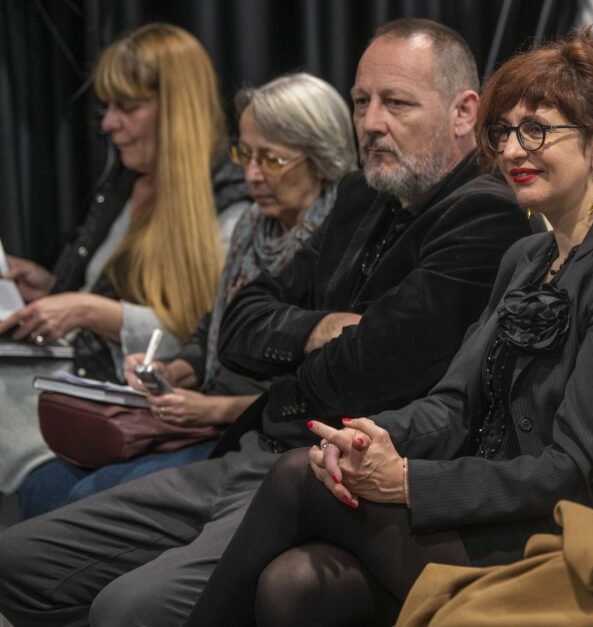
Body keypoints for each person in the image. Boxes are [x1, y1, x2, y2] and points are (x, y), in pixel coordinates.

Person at [0, 18, 532, 626]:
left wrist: (293, 362)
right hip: (251, 450)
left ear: (465, 112)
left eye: (396, 103)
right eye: (361, 102)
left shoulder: (487, 217)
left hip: (328, 480)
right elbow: (238, 325)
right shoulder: (362, 195)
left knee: (128, 610)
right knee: (14, 558)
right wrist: (318, 328)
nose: (371, 122)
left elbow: (377, 368)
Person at [183, 29, 593, 626]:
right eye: (503, 132)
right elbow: (452, 406)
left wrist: (408, 483)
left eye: (537, 130)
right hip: (493, 517)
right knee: (297, 584)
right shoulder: (526, 259)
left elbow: (574, 469)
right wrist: (366, 438)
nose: (511, 150)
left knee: (297, 477)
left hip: (570, 538)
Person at [15, 72, 356, 519]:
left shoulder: (343, 243)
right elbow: (213, 328)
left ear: (320, 157)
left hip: (264, 433)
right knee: (43, 484)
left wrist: (213, 411)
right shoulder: (253, 227)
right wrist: (174, 372)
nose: (252, 174)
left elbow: (318, 398)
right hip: (207, 413)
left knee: (87, 500)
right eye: (245, 154)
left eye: (272, 160)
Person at [0, 23, 248, 496]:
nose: (108, 123)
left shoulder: (229, 203)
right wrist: (50, 288)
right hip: (76, 394)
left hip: (131, 412)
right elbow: (116, 290)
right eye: (108, 107)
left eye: (128, 108)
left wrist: (87, 310)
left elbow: (202, 337)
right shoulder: (120, 186)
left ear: (177, 112)